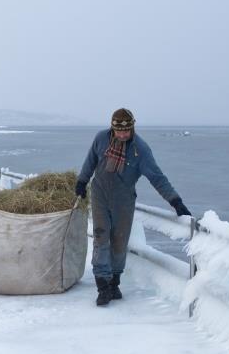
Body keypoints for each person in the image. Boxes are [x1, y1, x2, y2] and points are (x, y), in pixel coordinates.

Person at [75, 108, 192, 306]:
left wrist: (175, 201)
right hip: (100, 195)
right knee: (101, 238)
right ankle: (102, 286)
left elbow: (157, 177)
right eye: (118, 131)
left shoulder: (140, 149)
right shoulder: (101, 139)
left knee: (120, 242)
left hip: (124, 200)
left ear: (132, 128)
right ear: (112, 128)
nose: (122, 135)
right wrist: (81, 182)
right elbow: (90, 162)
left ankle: (114, 283)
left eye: (126, 131)